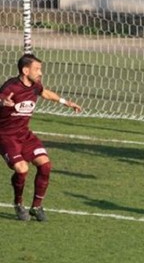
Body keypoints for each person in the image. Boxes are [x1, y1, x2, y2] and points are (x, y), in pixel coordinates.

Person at [0, 54, 83, 221]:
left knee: (45, 165)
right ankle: (18, 204)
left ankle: (36, 207)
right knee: (22, 169)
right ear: (25, 70)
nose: (41, 73)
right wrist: (2, 102)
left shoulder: (35, 86)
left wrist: (66, 102)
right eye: (37, 69)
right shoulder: (11, 86)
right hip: (6, 136)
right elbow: (2, 96)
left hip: (24, 134)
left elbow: (45, 93)